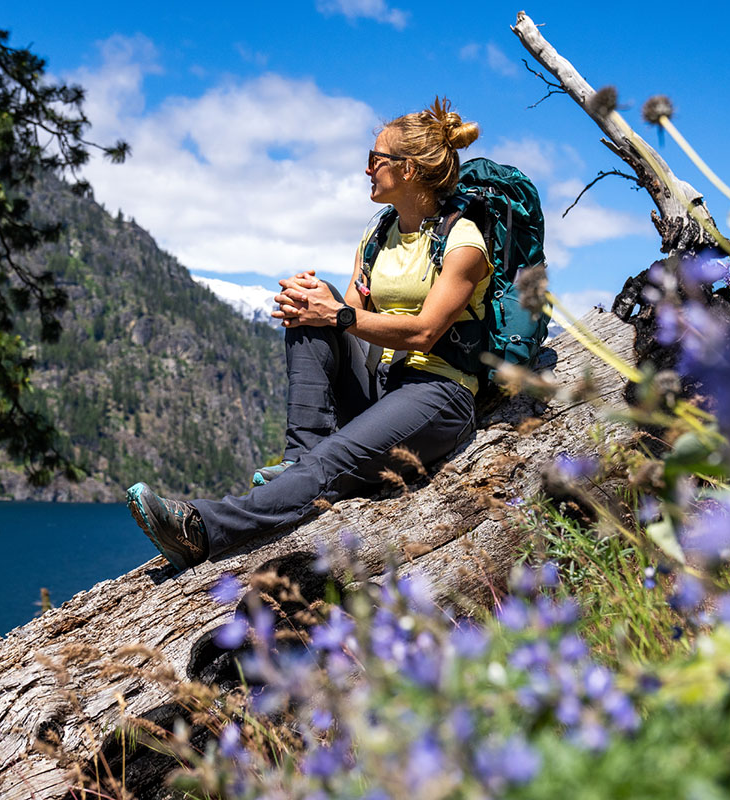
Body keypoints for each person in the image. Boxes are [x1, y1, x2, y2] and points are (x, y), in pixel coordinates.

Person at [126, 97, 490, 571]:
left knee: (331, 460)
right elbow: (354, 315)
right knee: (308, 318)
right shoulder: (378, 234)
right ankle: (299, 455)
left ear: (408, 170)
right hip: (384, 384)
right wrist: (314, 303)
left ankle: (203, 530)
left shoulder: (463, 242)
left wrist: (336, 315)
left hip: (438, 392)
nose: (367, 170)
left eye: (374, 160)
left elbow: (424, 333)